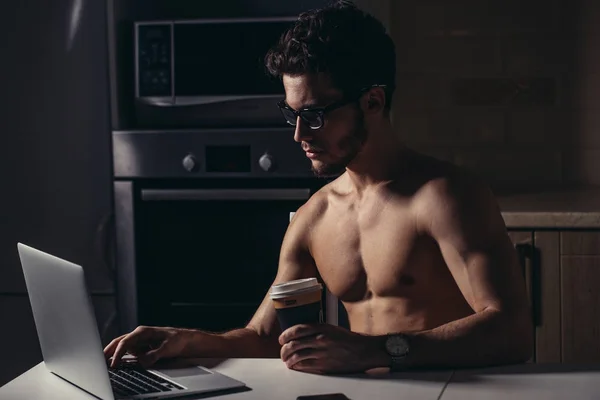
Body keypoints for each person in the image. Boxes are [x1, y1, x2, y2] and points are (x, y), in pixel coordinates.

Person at [104, 0, 533, 374]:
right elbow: (263, 336)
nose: (298, 135)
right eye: (291, 115)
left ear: (373, 102)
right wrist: (186, 341)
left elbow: (510, 331)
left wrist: (377, 350)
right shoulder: (316, 216)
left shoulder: (445, 197)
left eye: (314, 115)